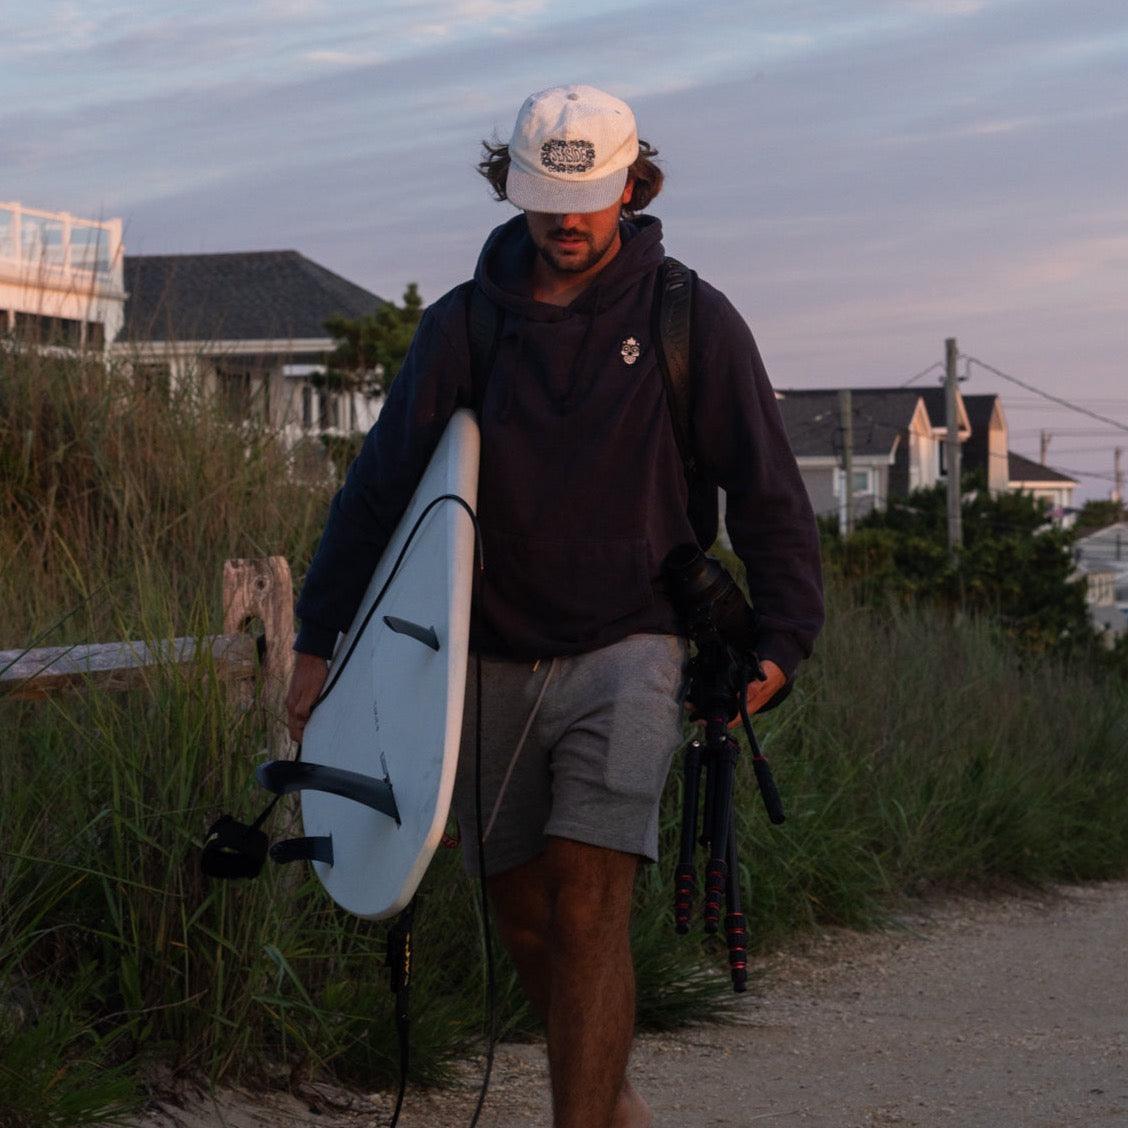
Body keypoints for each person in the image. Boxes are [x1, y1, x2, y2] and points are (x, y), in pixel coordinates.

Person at [286, 84, 824, 1128]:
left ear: (632, 186)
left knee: (588, 904)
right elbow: (379, 487)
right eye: (544, 198)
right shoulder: (467, 323)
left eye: (585, 199)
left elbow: (767, 487)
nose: (566, 221)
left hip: (633, 645)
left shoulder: (690, 318)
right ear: (512, 188)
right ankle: (610, 1104)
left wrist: (785, 636)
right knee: (525, 915)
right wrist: (318, 638)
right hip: (483, 652)